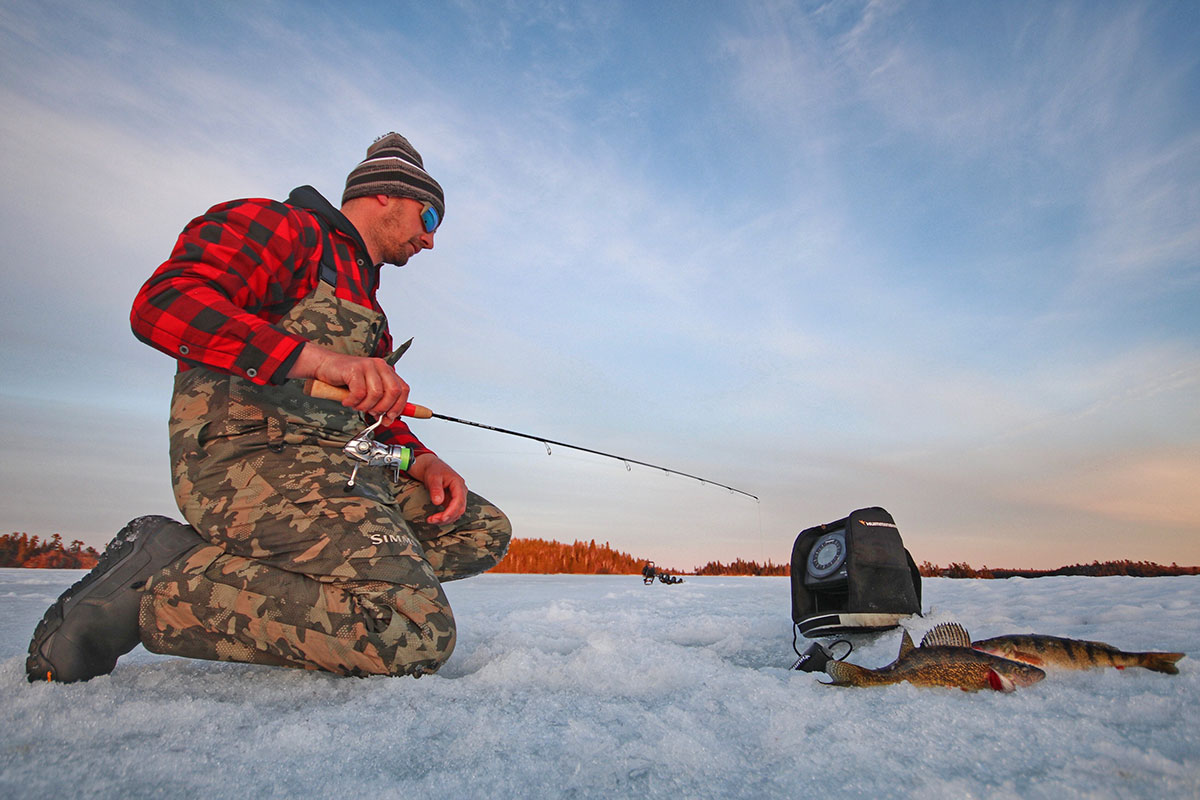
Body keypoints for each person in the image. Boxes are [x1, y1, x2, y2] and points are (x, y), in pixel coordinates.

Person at [27, 132, 512, 682]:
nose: (430, 241)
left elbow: (369, 419)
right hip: (250, 460)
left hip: (338, 471)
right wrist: (316, 359)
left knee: (478, 528)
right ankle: (164, 583)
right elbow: (165, 303)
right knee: (412, 633)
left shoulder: (368, 303)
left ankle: (285, 587)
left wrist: (421, 461)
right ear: (386, 196)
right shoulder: (283, 229)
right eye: (429, 220)